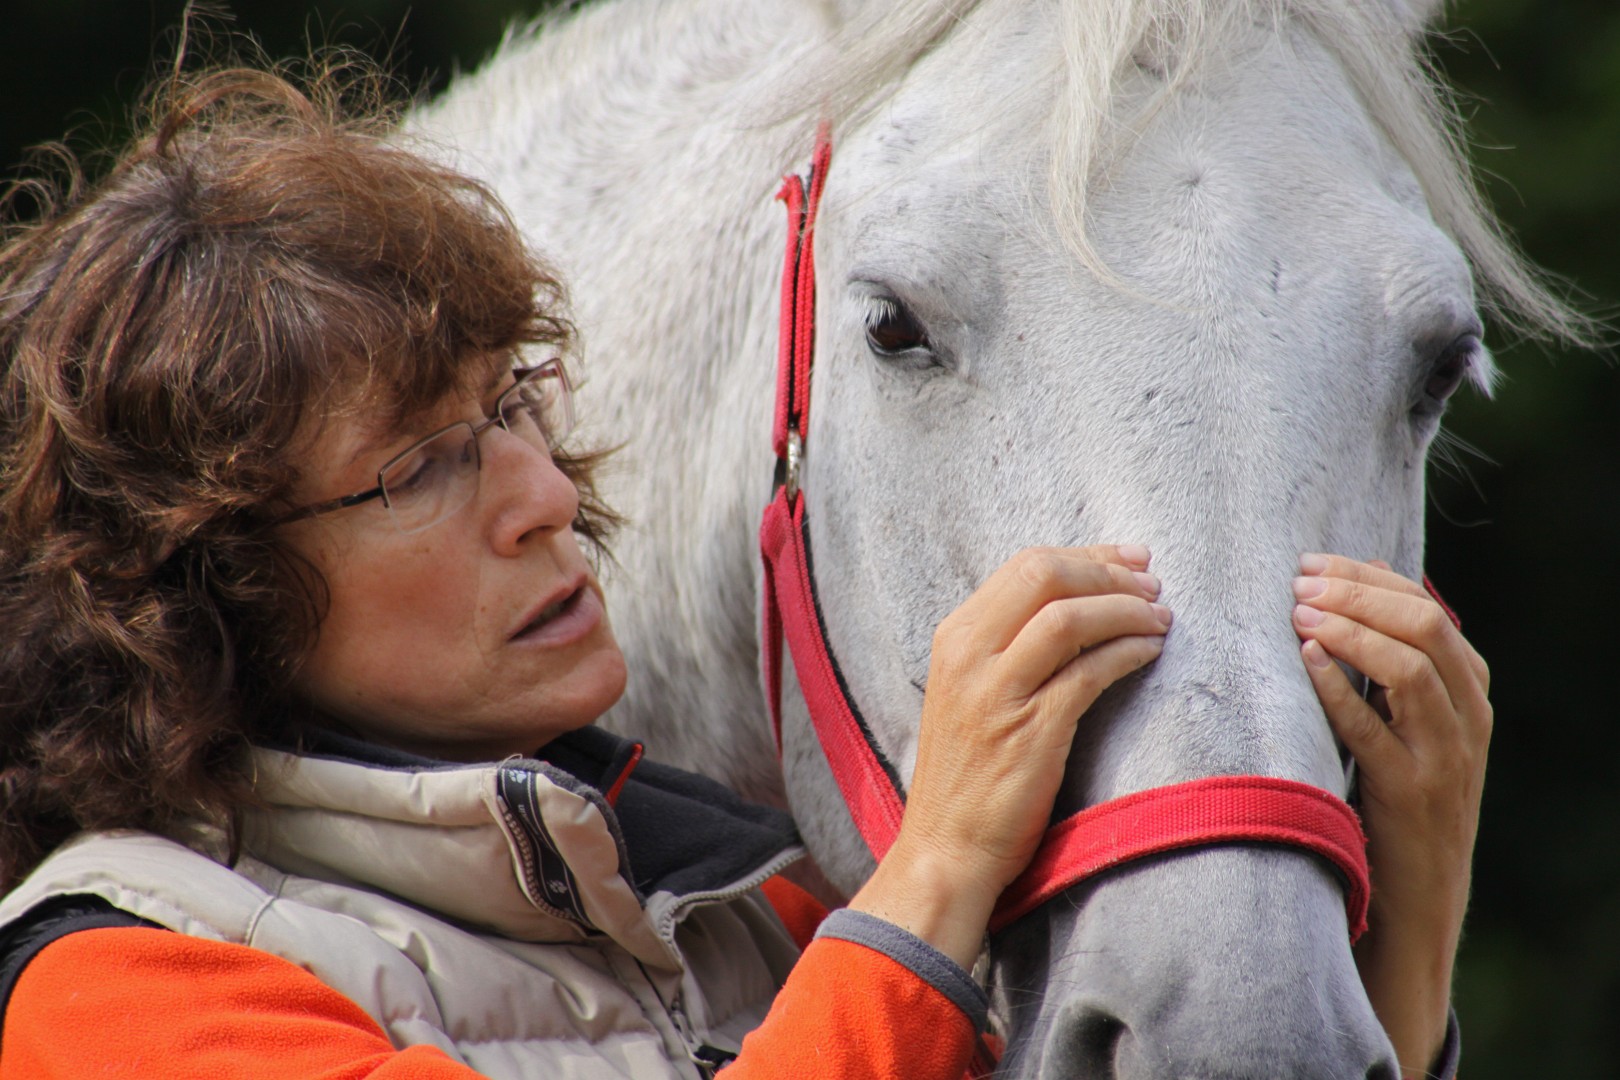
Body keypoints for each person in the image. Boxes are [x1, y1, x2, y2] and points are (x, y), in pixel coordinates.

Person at [0, 59, 1488, 1080]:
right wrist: (935, 881)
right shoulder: (116, 993)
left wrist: (1397, 984)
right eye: (422, 465)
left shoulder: (750, 922)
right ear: (195, 593)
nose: (541, 493)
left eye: (510, 404)